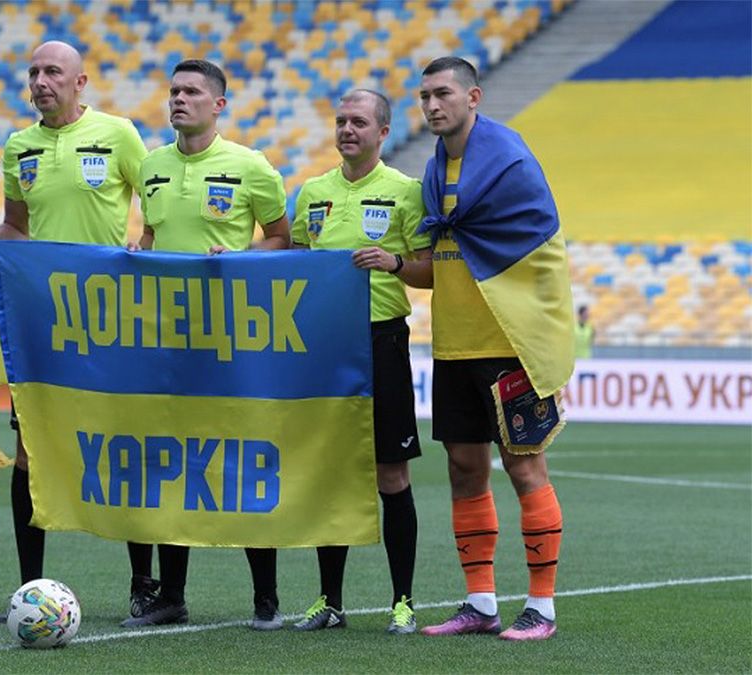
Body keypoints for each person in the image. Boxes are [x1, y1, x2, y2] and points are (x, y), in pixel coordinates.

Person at [0, 41, 157, 622]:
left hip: (111, 318)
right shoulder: (19, 146)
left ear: (81, 83)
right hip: (44, 320)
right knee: (32, 450)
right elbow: (18, 225)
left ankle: (144, 585)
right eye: (34, 72)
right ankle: (31, 588)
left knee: (127, 447)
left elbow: (158, 209)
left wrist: (141, 249)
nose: (41, 80)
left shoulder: (119, 134)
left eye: (53, 71)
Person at [124, 59, 291, 631]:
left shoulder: (251, 166)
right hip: (167, 338)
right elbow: (150, 235)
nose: (179, 98)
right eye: (173, 90)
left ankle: (265, 600)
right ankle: (170, 596)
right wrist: (140, 249)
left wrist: (241, 261)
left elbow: (281, 240)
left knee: (242, 463)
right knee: (170, 462)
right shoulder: (151, 166)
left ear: (219, 105)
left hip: (229, 339)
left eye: (192, 91)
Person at [416, 56, 573, 641]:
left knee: (524, 467)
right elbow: (446, 253)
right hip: (453, 343)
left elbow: (540, 239)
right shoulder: (434, 171)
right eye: (425, 96)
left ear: (473, 96)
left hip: (509, 344)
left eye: (442, 94)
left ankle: (542, 608)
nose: (432, 106)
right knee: (463, 471)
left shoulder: (508, 160)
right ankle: (480, 604)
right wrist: (396, 265)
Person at [289, 90, 432, 634]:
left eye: (358, 122)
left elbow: (431, 271)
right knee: (327, 473)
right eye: (341, 121)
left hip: (381, 342)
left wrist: (395, 262)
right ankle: (329, 601)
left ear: (383, 132)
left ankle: (403, 601)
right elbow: (293, 261)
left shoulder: (404, 192)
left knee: (390, 474)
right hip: (323, 345)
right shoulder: (314, 192)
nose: (347, 129)